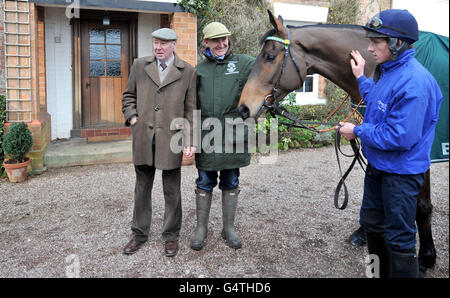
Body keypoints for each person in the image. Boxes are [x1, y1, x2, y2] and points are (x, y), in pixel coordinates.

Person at [339, 9, 443, 278]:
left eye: (377, 42)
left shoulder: (416, 82)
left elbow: (400, 136)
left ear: (398, 43)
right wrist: (361, 78)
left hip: (401, 175)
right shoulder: (388, 72)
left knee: (399, 241)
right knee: (373, 227)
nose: (370, 47)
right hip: (378, 168)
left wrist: (358, 130)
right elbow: (379, 100)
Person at [121, 28, 197, 257]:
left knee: (172, 190)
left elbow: (192, 109)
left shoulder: (188, 72)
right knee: (142, 188)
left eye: (163, 43)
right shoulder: (140, 66)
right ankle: (139, 234)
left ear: (174, 44)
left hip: (172, 139)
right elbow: (128, 96)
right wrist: (133, 118)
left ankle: (171, 236)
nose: (158, 47)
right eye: (155, 42)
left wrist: (190, 139)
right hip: (144, 137)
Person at [190, 22, 255, 251]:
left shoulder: (245, 63)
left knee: (231, 181)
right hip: (206, 133)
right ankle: (201, 228)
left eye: (224, 39)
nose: (221, 44)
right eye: (215, 40)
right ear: (206, 43)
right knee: (205, 181)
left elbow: (268, 78)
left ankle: (228, 228)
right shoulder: (198, 70)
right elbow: (191, 105)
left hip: (233, 133)